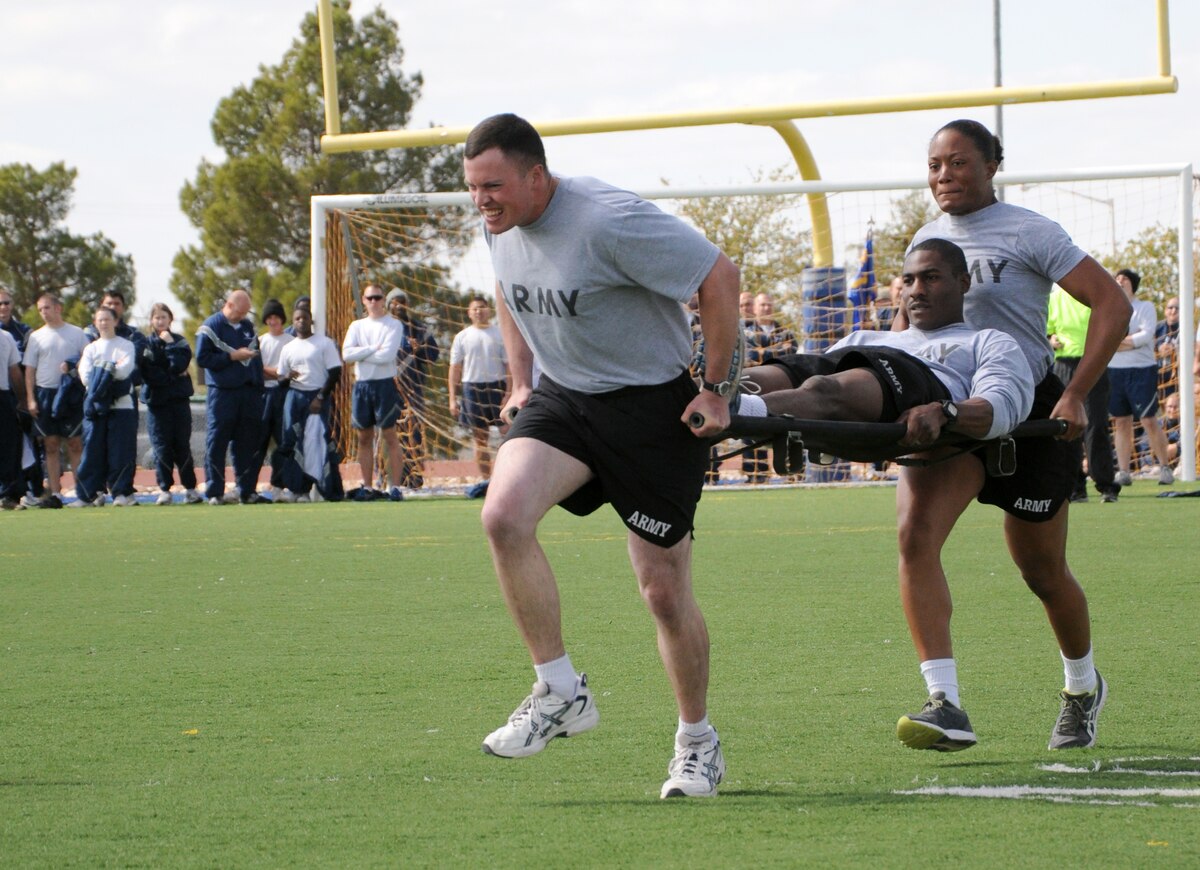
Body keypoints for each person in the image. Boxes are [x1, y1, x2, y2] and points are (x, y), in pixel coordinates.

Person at [463, 113, 740, 798]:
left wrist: (716, 388)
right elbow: (506, 287)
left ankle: (697, 743)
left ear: (536, 175)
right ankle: (560, 691)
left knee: (663, 592)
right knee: (502, 516)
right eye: (473, 187)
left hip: (652, 409)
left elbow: (719, 275)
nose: (481, 201)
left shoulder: (608, 220)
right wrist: (521, 380)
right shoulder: (500, 225)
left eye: (493, 186)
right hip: (566, 399)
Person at [889, 119, 1130, 752]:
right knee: (915, 535)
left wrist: (1075, 393)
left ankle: (1082, 687)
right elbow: (907, 326)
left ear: (993, 165)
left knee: (1042, 572)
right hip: (947, 404)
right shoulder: (926, 240)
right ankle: (944, 703)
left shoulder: (1030, 231)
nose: (944, 175)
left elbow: (1113, 303)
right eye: (935, 165)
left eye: (959, 162)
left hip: (1030, 411)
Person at [738, 240, 1032, 440]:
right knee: (784, 372)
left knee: (822, 386)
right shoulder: (866, 337)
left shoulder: (987, 341)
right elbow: (806, 374)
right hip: (869, 363)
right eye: (908, 281)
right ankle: (719, 395)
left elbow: (1001, 407)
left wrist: (945, 412)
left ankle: (740, 411)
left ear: (963, 283)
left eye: (931, 278)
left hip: (922, 382)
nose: (916, 291)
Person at [1047, 286, 1120, 503]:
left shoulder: (1094, 294)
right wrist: (1051, 339)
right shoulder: (1053, 299)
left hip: (1093, 363)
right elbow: (1046, 328)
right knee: (1066, 426)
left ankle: (1106, 484)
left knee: (1096, 424)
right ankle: (1074, 486)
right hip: (1064, 364)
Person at [195, 289, 268, 505]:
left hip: (248, 392)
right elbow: (203, 358)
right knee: (217, 441)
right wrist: (232, 357)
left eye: (246, 312)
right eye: (240, 312)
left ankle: (246, 490)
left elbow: (256, 358)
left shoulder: (247, 327)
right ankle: (215, 491)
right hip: (222, 392)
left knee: (247, 442)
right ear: (229, 305)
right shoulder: (211, 327)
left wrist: (258, 386)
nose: (243, 316)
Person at [1107, 269, 1174, 486]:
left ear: (1133, 284)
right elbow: (1105, 336)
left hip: (1141, 370)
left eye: (1124, 279)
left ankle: (1165, 467)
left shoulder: (1145, 307)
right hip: (1114, 371)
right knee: (1121, 421)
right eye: (1117, 279)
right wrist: (1122, 343)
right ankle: (1123, 471)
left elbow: (1146, 335)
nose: (1120, 281)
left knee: (1148, 420)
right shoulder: (1108, 307)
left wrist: (1119, 343)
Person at [23, 293, 90, 508]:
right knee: (50, 445)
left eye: (47, 308)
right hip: (45, 394)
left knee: (75, 443)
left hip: (70, 394)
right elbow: (29, 370)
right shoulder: (36, 337)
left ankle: (81, 492)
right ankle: (55, 494)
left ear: (58, 308)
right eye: (40, 309)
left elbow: (88, 359)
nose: (44, 312)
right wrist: (31, 399)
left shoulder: (77, 333)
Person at [342, 283, 407, 501]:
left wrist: (361, 354)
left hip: (384, 384)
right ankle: (368, 486)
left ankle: (395, 487)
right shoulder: (356, 326)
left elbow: (386, 356)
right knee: (364, 437)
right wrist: (371, 349)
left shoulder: (393, 325)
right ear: (363, 300)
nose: (373, 302)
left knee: (389, 434)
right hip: (362, 385)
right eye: (370, 298)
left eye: (377, 298)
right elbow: (347, 354)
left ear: (383, 300)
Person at [70, 307, 139, 506]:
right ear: (95, 323)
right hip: (96, 407)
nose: (104, 323)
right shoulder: (91, 349)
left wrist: (102, 372)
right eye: (100, 320)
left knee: (120, 452)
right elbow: (86, 376)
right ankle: (89, 495)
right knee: (92, 451)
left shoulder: (126, 345)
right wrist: (107, 371)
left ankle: (121, 493)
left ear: (115, 321)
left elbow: (124, 371)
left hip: (122, 407)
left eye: (107, 319)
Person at [277, 304, 343, 501]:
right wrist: (287, 377)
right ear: (293, 322)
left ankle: (328, 489)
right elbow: (281, 379)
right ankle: (298, 489)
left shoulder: (324, 343)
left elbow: (335, 372)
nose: (301, 321)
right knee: (292, 441)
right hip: (295, 397)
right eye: (297, 318)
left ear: (311, 320)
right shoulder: (288, 348)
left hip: (317, 396)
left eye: (304, 318)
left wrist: (320, 397)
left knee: (316, 441)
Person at [138, 302, 202, 505]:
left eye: (163, 317)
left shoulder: (179, 342)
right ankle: (165, 490)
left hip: (179, 402)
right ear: (151, 320)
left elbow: (180, 364)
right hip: (157, 404)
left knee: (182, 446)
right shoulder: (146, 344)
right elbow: (148, 371)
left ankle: (190, 489)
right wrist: (171, 376)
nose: (160, 321)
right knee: (161, 447)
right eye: (156, 317)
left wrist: (170, 345)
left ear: (170, 319)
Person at [448, 296, 509, 481]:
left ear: (488, 310)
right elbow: (455, 368)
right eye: (474, 308)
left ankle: (506, 477)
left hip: (497, 387)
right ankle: (486, 480)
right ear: (469, 313)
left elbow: (509, 366)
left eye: (482, 307)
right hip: (472, 388)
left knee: (508, 434)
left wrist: (509, 393)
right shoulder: (462, 336)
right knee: (480, 438)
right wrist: (452, 398)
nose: (478, 311)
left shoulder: (500, 334)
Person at [387, 288, 440, 488]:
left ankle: (414, 477)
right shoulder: (383, 327)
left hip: (413, 388)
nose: (398, 305)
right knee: (388, 431)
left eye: (402, 301)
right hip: (387, 386)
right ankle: (388, 477)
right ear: (388, 305)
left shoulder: (418, 328)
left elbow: (433, 355)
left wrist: (420, 349)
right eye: (394, 302)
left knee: (413, 430)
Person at [257, 299, 295, 501]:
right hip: (264, 395)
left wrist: (278, 374)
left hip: (284, 394)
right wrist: (279, 373)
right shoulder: (260, 341)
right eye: (269, 318)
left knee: (283, 442)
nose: (273, 321)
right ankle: (248, 487)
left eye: (276, 317)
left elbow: (293, 371)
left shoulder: (291, 341)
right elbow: (258, 369)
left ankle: (279, 486)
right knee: (259, 441)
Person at [0, 328, 25, 509]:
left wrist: (23, 399)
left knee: (7, 446)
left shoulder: (6, 336)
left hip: (2, 395)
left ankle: (6, 495)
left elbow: (14, 370)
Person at [1155, 296, 1180, 397]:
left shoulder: (1187, 329)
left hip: (1176, 378)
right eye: (1170, 307)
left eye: (1177, 308)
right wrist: (1157, 350)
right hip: (1156, 376)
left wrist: (1174, 350)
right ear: (1165, 310)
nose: (1173, 311)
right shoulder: (1156, 328)